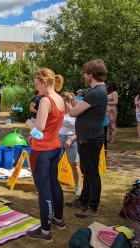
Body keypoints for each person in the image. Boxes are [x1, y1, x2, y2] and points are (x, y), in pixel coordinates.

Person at [25, 68, 65, 242]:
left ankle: (45, 232)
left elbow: (39, 130)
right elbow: (50, 127)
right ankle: (59, 220)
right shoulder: (60, 98)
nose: (36, 89)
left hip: (43, 151)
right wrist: (32, 135)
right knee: (54, 184)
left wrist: (28, 125)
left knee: (44, 190)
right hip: (56, 147)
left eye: (37, 84)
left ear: (43, 82)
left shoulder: (45, 101)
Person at [66, 59, 108, 219]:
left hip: (91, 139)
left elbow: (73, 112)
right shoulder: (96, 91)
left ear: (91, 75)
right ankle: (84, 200)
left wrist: (69, 104)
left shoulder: (96, 92)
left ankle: (93, 206)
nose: (83, 75)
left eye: (85, 73)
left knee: (91, 173)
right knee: (86, 171)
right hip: (87, 138)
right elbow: (80, 107)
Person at [59, 92, 81, 196]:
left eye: (63, 101)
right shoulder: (59, 111)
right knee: (54, 163)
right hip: (58, 139)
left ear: (69, 101)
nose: (61, 103)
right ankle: (50, 185)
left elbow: (81, 131)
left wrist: (71, 139)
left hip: (72, 140)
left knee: (75, 164)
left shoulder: (76, 113)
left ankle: (77, 187)